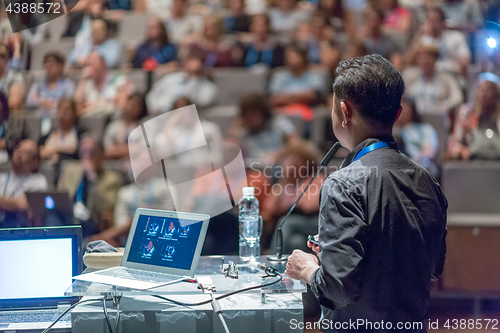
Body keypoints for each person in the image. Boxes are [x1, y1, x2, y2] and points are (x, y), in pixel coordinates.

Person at [285, 54, 447, 332]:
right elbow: (432, 268)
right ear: (396, 114)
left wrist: (306, 268)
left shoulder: (342, 183)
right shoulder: (428, 181)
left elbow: (336, 289)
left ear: (345, 112)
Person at [263, 139, 323, 253]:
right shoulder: (285, 183)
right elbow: (269, 208)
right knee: (296, 242)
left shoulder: (316, 179)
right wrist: (283, 181)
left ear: (309, 164)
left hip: (314, 224)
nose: (293, 163)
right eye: (290, 159)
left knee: (286, 222)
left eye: (299, 160)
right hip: (296, 231)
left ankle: (274, 260)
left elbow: (308, 206)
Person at [58, 135, 123, 237]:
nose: (87, 158)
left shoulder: (112, 179)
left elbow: (105, 208)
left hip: (91, 220)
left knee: (79, 224)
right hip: (68, 216)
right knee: (51, 217)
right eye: (84, 153)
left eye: (91, 153)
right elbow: (59, 196)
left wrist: (93, 178)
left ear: (101, 155)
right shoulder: (70, 171)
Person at [228, 93, 296, 164]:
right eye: (247, 115)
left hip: (279, 166)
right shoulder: (241, 132)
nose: (250, 118)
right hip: (253, 171)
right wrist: (233, 129)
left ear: (263, 113)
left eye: (253, 114)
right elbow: (230, 153)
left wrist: (281, 153)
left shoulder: (279, 122)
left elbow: (295, 143)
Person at [406, 6, 470, 77]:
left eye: (435, 21)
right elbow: (408, 62)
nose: (433, 25)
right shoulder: (424, 40)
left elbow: (465, 61)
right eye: (430, 21)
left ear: (443, 22)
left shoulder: (456, 37)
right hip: (430, 77)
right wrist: (419, 34)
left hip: (452, 75)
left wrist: (460, 66)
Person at [402, 44, 463, 115]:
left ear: (435, 59)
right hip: (414, 117)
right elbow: (402, 95)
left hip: (437, 114)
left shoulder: (446, 77)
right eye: (422, 58)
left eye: (428, 58)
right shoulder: (408, 75)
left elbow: (457, 98)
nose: (424, 62)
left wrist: (445, 106)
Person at [0, 139, 48, 228]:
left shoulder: (38, 181)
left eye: (25, 152)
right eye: (17, 149)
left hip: (24, 230)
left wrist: (5, 202)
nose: (18, 154)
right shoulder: (1, 179)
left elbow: (26, 206)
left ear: (35, 162)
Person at [448, 80, 500, 160]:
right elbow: (453, 144)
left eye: (489, 90)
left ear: (496, 94)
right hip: (473, 160)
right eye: (482, 90)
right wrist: (463, 149)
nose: (484, 94)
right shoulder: (467, 113)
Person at [146, 55, 217, 113]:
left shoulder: (208, 87)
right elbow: (153, 94)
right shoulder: (169, 79)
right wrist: (153, 107)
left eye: (195, 71)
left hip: (188, 118)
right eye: (190, 69)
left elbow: (203, 102)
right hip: (162, 114)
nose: (192, 74)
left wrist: (194, 81)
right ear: (184, 66)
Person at [394, 96, 438, 173]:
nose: (401, 114)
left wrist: (413, 161)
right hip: (395, 165)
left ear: (412, 111)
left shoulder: (424, 129)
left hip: (417, 164)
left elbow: (429, 152)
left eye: (404, 110)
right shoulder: (391, 130)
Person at [26, 52, 76, 117]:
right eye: (46, 66)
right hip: (39, 119)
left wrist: (42, 103)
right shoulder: (38, 84)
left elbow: (69, 104)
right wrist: (47, 103)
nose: (48, 68)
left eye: (51, 65)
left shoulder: (68, 85)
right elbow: (29, 102)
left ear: (60, 66)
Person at [103, 93, 148, 159]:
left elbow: (144, 149)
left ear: (141, 108)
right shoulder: (113, 126)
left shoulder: (146, 127)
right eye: (130, 104)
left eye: (135, 106)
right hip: (115, 165)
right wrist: (132, 149)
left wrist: (118, 149)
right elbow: (108, 151)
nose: (131, 108)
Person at [0, 44, 24, 110]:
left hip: (8, 118)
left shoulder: (15, 77)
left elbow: (14, 103)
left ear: (5, 60)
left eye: (2, 57)